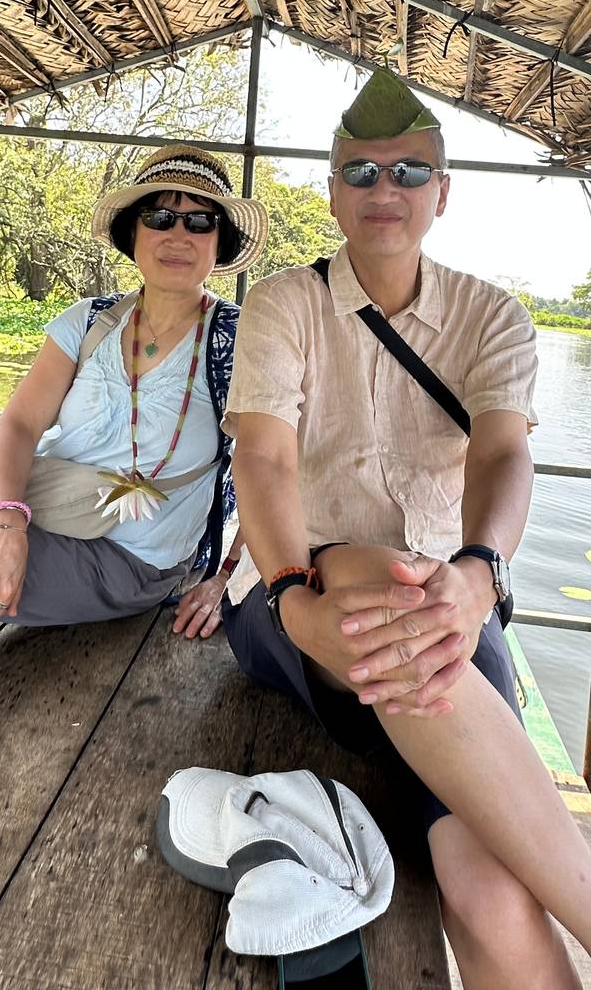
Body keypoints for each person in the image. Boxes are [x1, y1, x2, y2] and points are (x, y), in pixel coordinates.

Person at [220, 66, 591, 988]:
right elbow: (262, 459)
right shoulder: (284, 302)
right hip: (292, 599)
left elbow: (506, 455)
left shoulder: (492, 316)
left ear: (443, 192)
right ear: (332, 190)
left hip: (445, 608)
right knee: (388, 572)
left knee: (491, 890)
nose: (385, 190)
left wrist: (476, 575)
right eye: (363, 172)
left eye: (409, 172)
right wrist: (285, 591)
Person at [0, 144, 267, 662]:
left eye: (200, 222)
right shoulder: (89, 321)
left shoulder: (240, 341)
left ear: (219, 241)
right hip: (46, 507)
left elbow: (277, 470)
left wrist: (229, 579)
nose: (179, 235)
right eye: (160, 217)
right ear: (134, 232)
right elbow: (19, 425)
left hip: (133, 558)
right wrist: (5, 521)